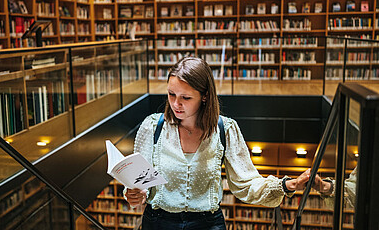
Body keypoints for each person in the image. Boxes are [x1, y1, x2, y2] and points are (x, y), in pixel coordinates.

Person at [124, 57, 311, 230]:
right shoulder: (152, 127)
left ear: (204, 96)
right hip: (158, 223)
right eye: (171, 94)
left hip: (207, 224)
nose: (175, 104)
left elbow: (245, 183)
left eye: (186, 97)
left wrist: (286, 185)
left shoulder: (225, 130)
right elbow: (139, 182)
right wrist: (134, 194)